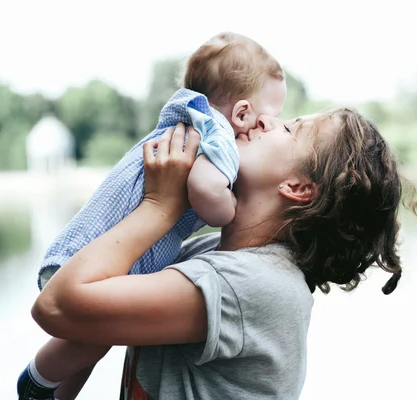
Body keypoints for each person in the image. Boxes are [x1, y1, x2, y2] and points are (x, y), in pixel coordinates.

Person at [29, 108, 417, 399]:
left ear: (298, 186)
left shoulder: (253, 287)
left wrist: (159, 206)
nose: (264, 120)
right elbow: (88, 327)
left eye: (289, 128)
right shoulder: (207, 253)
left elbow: (56, 306)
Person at [17, 32, 286, 400]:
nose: (269, 127)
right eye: (271, 119)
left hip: (81, 251)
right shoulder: (220, 136)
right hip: (95, 270)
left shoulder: (187, 115)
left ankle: (54, 393)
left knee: (91, 343)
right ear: (241, 113)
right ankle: (37, 380)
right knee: (95, 340)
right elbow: (207, 191)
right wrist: (230, 210)